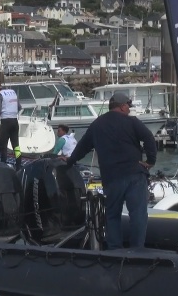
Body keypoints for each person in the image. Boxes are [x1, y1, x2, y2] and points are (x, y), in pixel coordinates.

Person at [62, 93, 157, 250]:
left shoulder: (97, 124)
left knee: (112, 215)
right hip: (134, 174)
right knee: (138, 215)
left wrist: (70, 161)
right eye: (128, 106)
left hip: (111, 177)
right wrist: (150, 161)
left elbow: (82, 147)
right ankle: (138, 249)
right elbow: (149, 138)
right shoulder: (132, 121)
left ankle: (114, 250)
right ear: (121, 106)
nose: (129, 109)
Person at [0, 81, 22, 170]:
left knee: (3, 146)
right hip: (15, 121)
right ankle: (18, 165)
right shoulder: (13, 92)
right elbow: (19, 107)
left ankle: (3, 167)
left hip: (5, 122)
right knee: (16, 146)